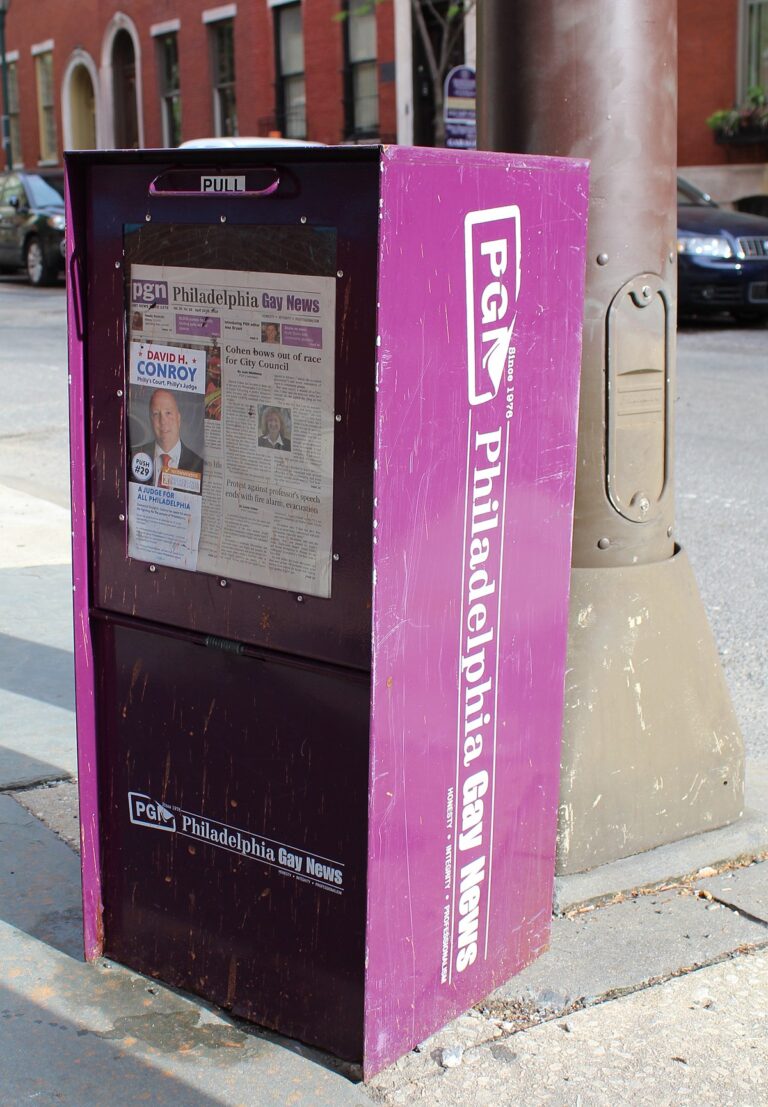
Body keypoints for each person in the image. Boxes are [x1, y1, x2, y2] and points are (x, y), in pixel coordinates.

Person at [130, 388, 204, 487]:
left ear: (178, 418)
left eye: (168, 413)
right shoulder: (133, 456)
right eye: (156, 414)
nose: (163, 421)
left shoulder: (198, 465)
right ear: (151, 420)